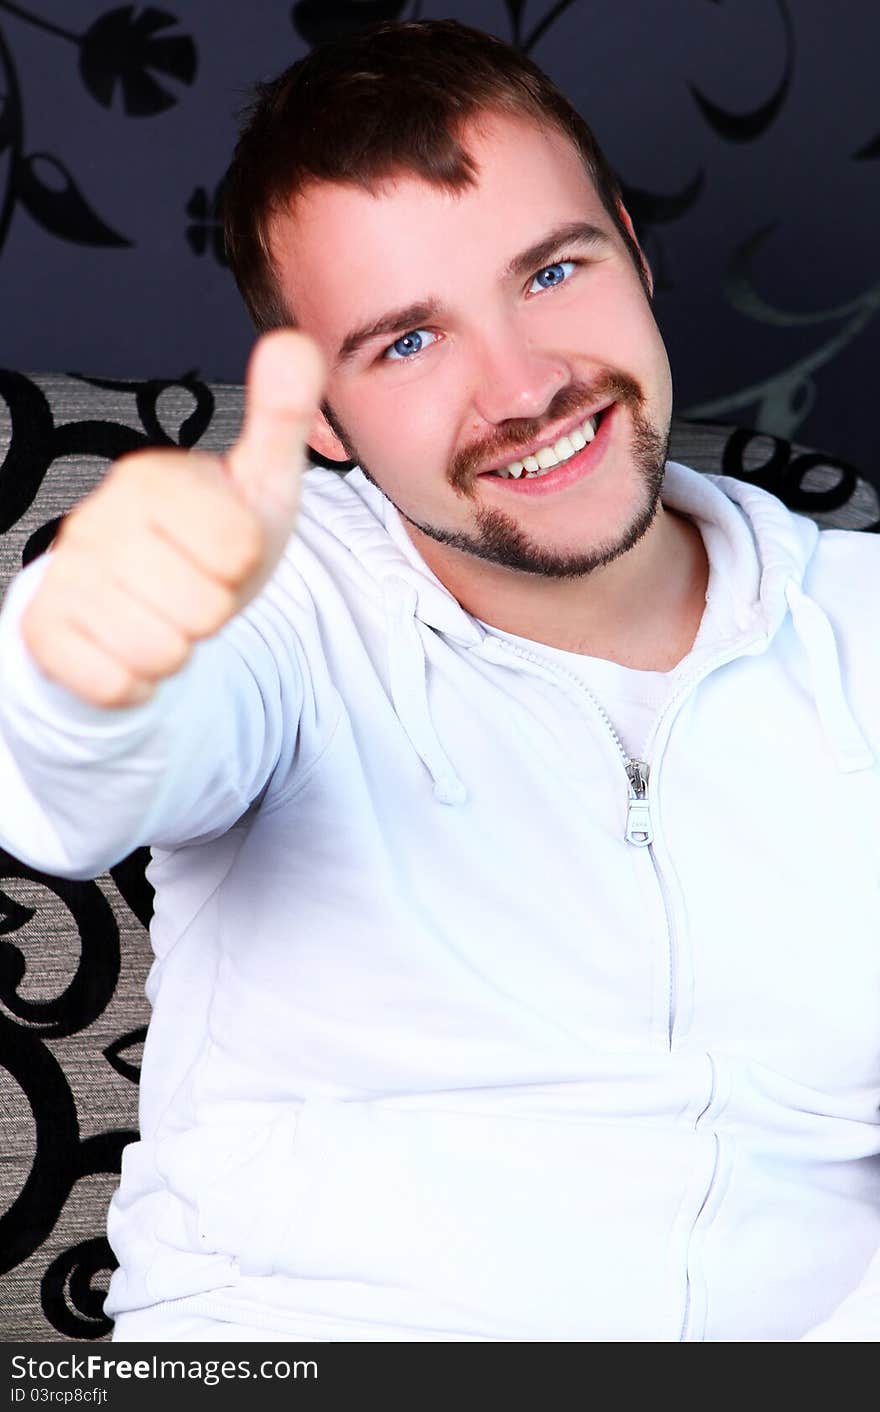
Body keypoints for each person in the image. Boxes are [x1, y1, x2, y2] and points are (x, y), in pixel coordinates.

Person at [0, 18, 877, 1343]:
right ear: (334, 423)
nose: (521, 387)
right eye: (406, 344)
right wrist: (84, 660)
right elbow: (84, 768)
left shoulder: (861, 632)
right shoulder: (279, 611)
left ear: (634, 252)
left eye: (553, 272)